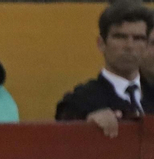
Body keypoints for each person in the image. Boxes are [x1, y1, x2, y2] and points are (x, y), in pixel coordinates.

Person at [56, 0, 152, 138]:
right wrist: (85, 123)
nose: (129, 46)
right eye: (120, 37)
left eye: (138, 38)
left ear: (147, 45)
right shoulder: (80, 101)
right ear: (101, 44)